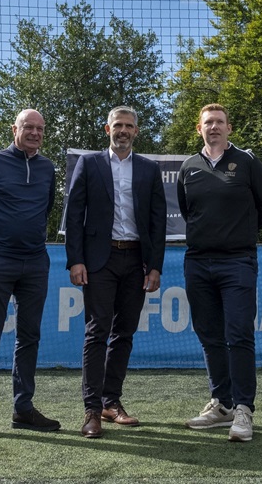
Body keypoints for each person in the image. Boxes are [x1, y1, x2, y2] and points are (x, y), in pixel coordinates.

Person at [64, 106, 167, 438]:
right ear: (107, 128)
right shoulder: (89, 163)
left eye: (129, 126)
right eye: (118, 125)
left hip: (136, 261)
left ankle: (112, 403)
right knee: (97, 332)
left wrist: (155, 266)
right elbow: (74, 213)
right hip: (99, 261)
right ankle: (92, 411)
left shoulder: (150, 169)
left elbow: (157, 221)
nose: (123, 130)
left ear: (136, 131)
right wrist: (75, 260)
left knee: (124, 334)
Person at [177, 103, 262, 442]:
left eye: (219, 122)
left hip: (238, 262)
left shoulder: (248, 163)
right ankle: (222, 405)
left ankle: (244, 409)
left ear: (230, 128)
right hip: (198, 262)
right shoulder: (188, 166)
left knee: (239, 335)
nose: (214, 127)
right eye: (208, 123)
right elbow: (188, 210)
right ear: (199, 129)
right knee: (209, 336)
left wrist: (237, 235)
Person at [0, 109, 60, 441]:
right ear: (14, 129)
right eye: (28, 127)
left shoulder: (48, 168)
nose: (35, 133)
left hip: (35, 262)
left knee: (29, 337)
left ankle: (23, 408)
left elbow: (46, 208)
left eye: (40, 128)